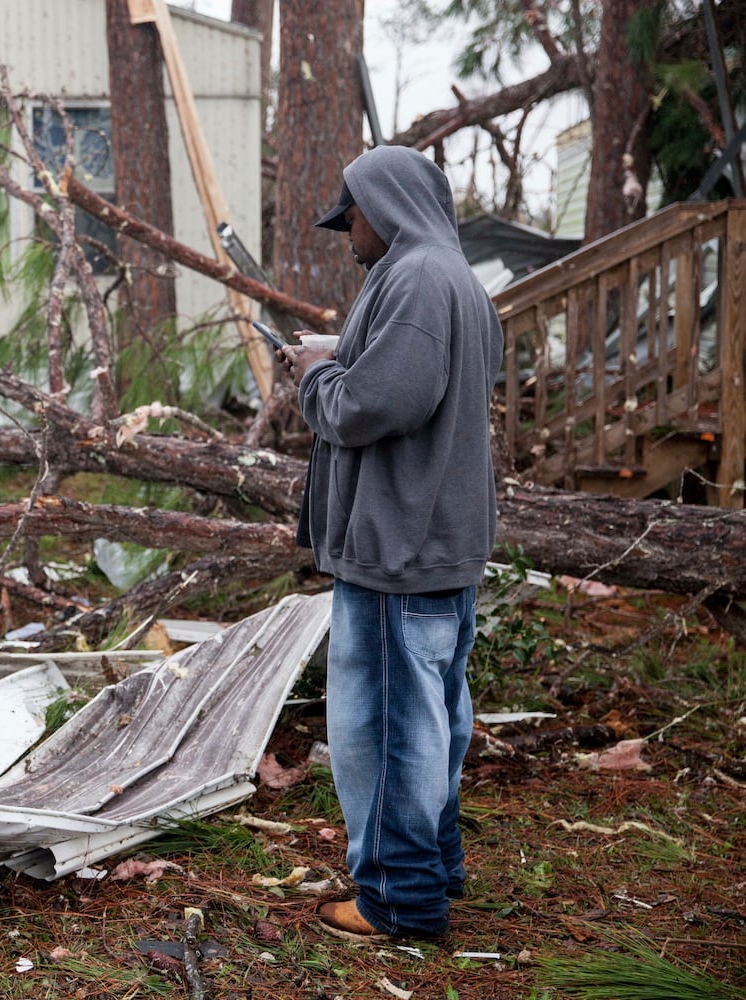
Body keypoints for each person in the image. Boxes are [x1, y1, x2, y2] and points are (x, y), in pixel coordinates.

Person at [277, 144, 503, 941]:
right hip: (436, 542)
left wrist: (313, 374)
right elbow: (413, 385)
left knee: (383, 729)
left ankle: (401, 901)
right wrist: (341, 357)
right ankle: (434, 866)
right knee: (435, 715)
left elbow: (373, 408)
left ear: (388, 204)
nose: (347, 233)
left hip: (397, 549)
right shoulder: (457, 280)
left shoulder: (410, 279)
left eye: (353, 215)